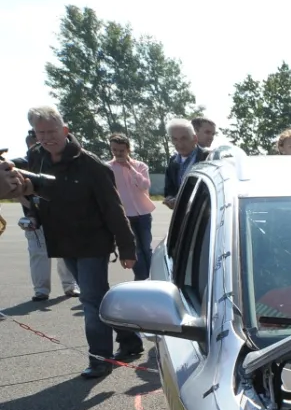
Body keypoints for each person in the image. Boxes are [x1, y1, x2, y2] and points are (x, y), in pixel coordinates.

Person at [16, 105, 139, 379]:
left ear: (65, 130)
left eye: (52, 131)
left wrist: (127, 248)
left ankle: (99, 359)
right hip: (61, 240)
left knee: (91, 300)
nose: (47, 138)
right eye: (41, 132)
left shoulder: (91, 165)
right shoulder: (37, 157)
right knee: (98, 297)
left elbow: (113, 209)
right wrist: (33, 215)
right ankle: (129, 338)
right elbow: (34, 191)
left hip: (92, 240)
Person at [14, 128, 78, 301]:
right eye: (33, 143)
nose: (37, 147)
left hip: (58, 214)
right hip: (34, 216)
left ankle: (70, 286)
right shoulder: (20, 163)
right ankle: (41, 290)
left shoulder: (56, 162)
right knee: (38, 253)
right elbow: (14, 187)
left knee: (65, 251)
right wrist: (27, 204)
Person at [107, 133, 156, 281]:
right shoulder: (108, 168)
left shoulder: (140, 166)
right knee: (136, 250)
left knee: (147, 248)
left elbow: (145, 185)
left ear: (128, 150)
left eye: (121, 150)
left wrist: (130, 168)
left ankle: (153, 277)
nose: (118, 153)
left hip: (143, 213)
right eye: (114, 150)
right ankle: (141, 279)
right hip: (124, 215)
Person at [163, 118, 208, 207]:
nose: (179, 143)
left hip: (204, 217)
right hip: (183, 217)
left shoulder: (208, 158)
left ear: (194, 138)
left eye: (184, 138)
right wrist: (170, 199)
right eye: (174, 139)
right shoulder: (173, 161)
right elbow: (169, 190)